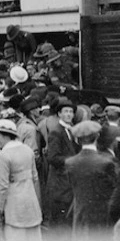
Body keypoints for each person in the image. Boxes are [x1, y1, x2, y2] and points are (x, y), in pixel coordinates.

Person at [0, 119, 44, 241]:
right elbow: (35, 179)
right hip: (31, 202)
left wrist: (0, 209)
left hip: (14, 204)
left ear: (6, 135)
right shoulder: (28, 150)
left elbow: (2, 186)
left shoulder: (4, 155)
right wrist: (38, 203)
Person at [66, 120, 117, 237]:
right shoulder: (106, 163)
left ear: (78, 140)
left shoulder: (70, 163)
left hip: (79, 216)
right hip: (102, 217)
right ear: (97, 136)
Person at [45, 98, 80, 233]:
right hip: (60, 181)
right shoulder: (56, 132)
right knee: (59, 219)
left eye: (71, 112)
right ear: (59, 114)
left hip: (68, 181)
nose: (69, 115)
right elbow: (52, 158)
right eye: (65, 112)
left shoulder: (71, 130)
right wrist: (74, 160)